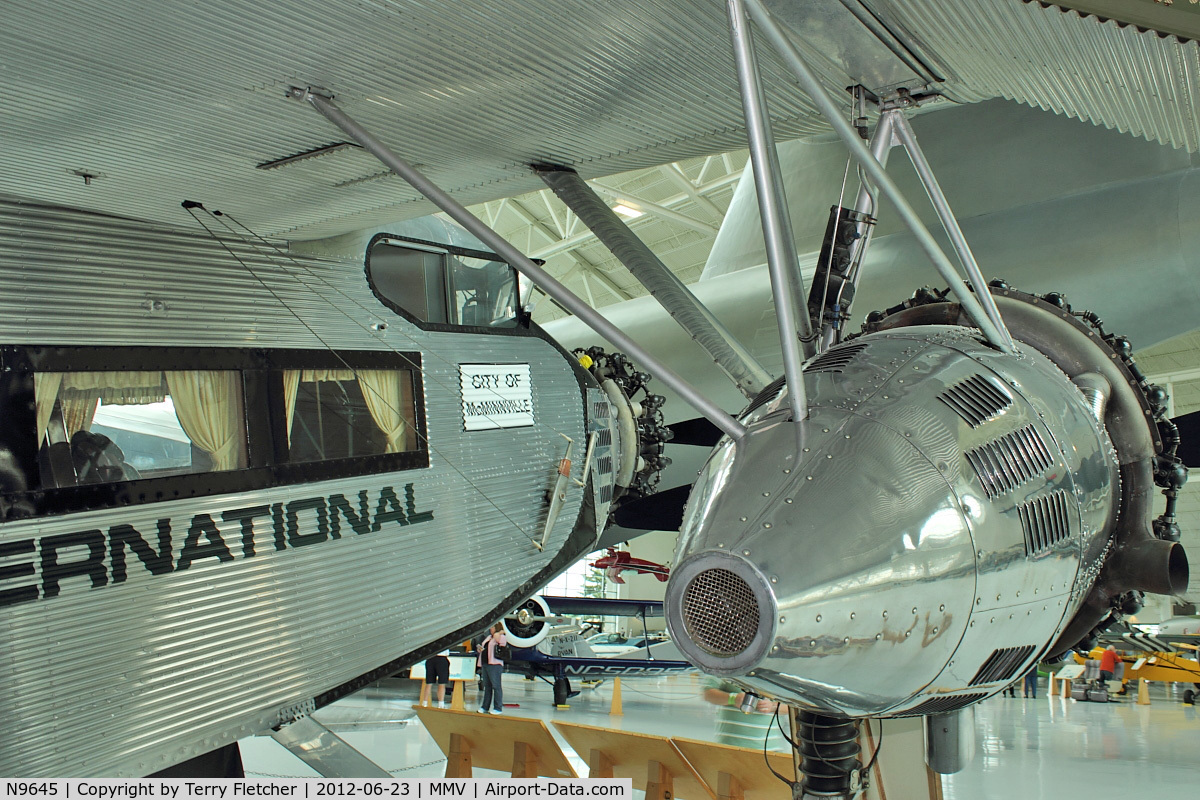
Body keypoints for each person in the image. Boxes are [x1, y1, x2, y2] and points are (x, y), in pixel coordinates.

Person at [702, 677, 785, 749]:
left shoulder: (779, 667)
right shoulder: (725, 664)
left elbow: (794, 706)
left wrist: (772, 706)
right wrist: (733, 698)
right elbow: (707, 693)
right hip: (728, 746)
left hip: (769, 751)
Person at [477, 625, 507, 714]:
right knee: (487, 687)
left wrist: (499, 632)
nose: (490, 628)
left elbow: (498, 640)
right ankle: (485, 707)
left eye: (493, 627)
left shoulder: (501, 636)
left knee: (496, 686)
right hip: (486, 663)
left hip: (495, 664)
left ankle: (498, 708)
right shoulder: (489, 637)